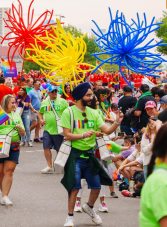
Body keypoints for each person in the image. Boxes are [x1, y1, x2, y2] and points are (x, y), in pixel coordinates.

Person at [60, 82, 123, 227]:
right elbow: (67, 135)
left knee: (96, 187)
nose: (91, 97)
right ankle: (70, 217)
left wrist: (117, 123)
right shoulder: (68, 112)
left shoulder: (94, 112)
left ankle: (89, 207)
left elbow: (107, 131)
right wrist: (83, 135)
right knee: (74, 188)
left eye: (91, 95)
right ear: (78, 96)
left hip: (90, 155)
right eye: (88, 95)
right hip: (74, 155)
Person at [0, 94, 25, 206]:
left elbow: (23, 133)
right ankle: (4, 194)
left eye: (15, 102)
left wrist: (20, 129)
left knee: (9, 171)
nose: (15, 105)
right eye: (12, 102)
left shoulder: (17, 116)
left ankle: (5, 196)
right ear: (6, 104)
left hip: (13, 145)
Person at [38, 87, 68, 174]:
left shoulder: (62, 101)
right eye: (52, 91)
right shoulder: (44, 102)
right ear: (48, 93)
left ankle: (60, 165)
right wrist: (41, 120)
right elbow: (40, 113)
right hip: (47, 128)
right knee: (46, 147)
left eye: (56, 91)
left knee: (59, 149)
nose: (54, 93)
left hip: (59, 129)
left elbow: (68, 113)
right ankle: (49, 166)